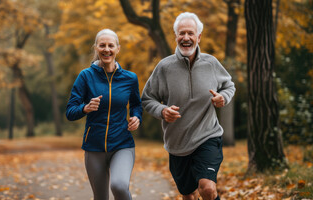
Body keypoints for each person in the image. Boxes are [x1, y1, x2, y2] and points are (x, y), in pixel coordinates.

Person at [141, 12, 235, 200]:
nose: (186, 38)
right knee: (188, 195)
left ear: (198, 37)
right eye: (181, 33)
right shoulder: (164, 67)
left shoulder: (211, 63)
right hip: (178, 144)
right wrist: (162, 111)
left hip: (208, 135)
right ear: (175, 36)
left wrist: (223, 97)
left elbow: (229, 85)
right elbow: (146, 99)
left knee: (207, 188)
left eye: (190, 33)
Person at [66, 29, 142, 200]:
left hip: (122, 144)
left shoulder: (130, 78)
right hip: (94, 147)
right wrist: (85, 108)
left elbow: (137, 105)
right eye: (102, 45)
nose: (106, 49)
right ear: (96, 48)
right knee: (100, 197)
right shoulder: (85, 76)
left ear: (117, 49)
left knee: (119, 185)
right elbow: (70, 112)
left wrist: (137, 117)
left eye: (110, 45)